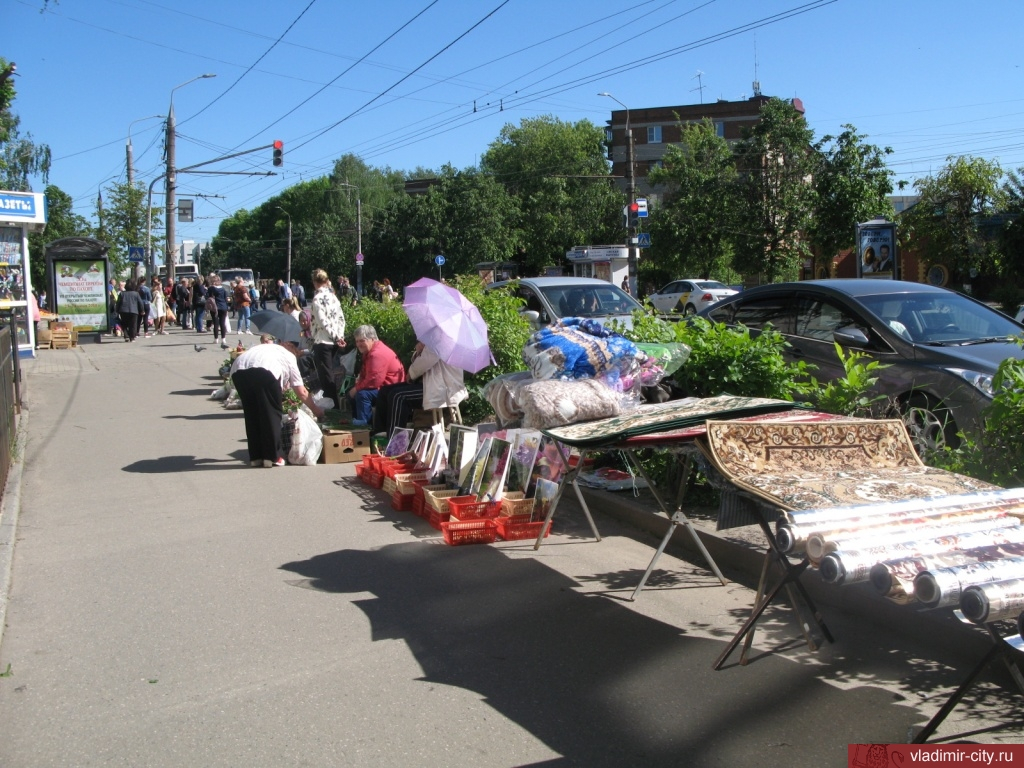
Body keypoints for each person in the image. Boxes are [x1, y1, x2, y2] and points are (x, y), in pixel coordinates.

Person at [230, 335, 324, 468]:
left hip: (238, 371)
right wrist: (317, 411)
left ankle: (256, 457)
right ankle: (272, 456)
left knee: (252, 413)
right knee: (272, 413)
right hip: (265, 371)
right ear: (293, 351)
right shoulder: (289, 356)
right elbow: (301, 391)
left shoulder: (267, 349)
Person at [372, 341, 468, 439]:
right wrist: (419, 352)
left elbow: (426, 361)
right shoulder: (435, 340)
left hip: (444, 388)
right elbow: (423, 359)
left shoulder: (442, 341)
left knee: (398, 396)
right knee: (385, 391)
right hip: (431, 384)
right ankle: (380, 434)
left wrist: (411, 373)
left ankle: (395, 440)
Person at [347, 324, 405, 427]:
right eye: (357, 341)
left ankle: (364, 426)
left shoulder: (377, 354)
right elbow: (365, 375)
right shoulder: (370, 351)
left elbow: (374, 381)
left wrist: (356, 388)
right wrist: (356, 386)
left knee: (362, 394)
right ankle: (357, 421)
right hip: (384, 387)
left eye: (362, 341)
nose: (358, 344)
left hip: (391, 389)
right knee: (352, 392)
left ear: (372, 339)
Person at [308, 268, 347, 410]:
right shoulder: (333, 297)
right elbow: (341, 318)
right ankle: (333, 404)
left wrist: (335, 337)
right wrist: (339, 336)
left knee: (326, 376)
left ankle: (333, 407)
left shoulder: (317, 299)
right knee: (330, 373)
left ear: (314, 282)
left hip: (322, 340)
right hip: (334, 340)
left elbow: (322, 321)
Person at [115, 278, 144, 342]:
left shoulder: (122, 293)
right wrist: (142, 310)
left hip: (123, 311)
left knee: (124, 324)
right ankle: (132, 337)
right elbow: (140, 303)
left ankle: (126, 336)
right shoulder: (136, 294)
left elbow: (118, 303)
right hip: (134, 311)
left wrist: (117, 310)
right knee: (133, 324)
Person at [208, 274, 230, 348]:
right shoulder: (223, 289)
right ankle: (223, 339)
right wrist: (227, 308)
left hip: (215, 307)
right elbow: (226, 299)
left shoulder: (211, 288)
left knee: (216, 323)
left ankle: (216, 339)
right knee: (222, 323)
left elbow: (208, 297)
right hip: (223, 307)